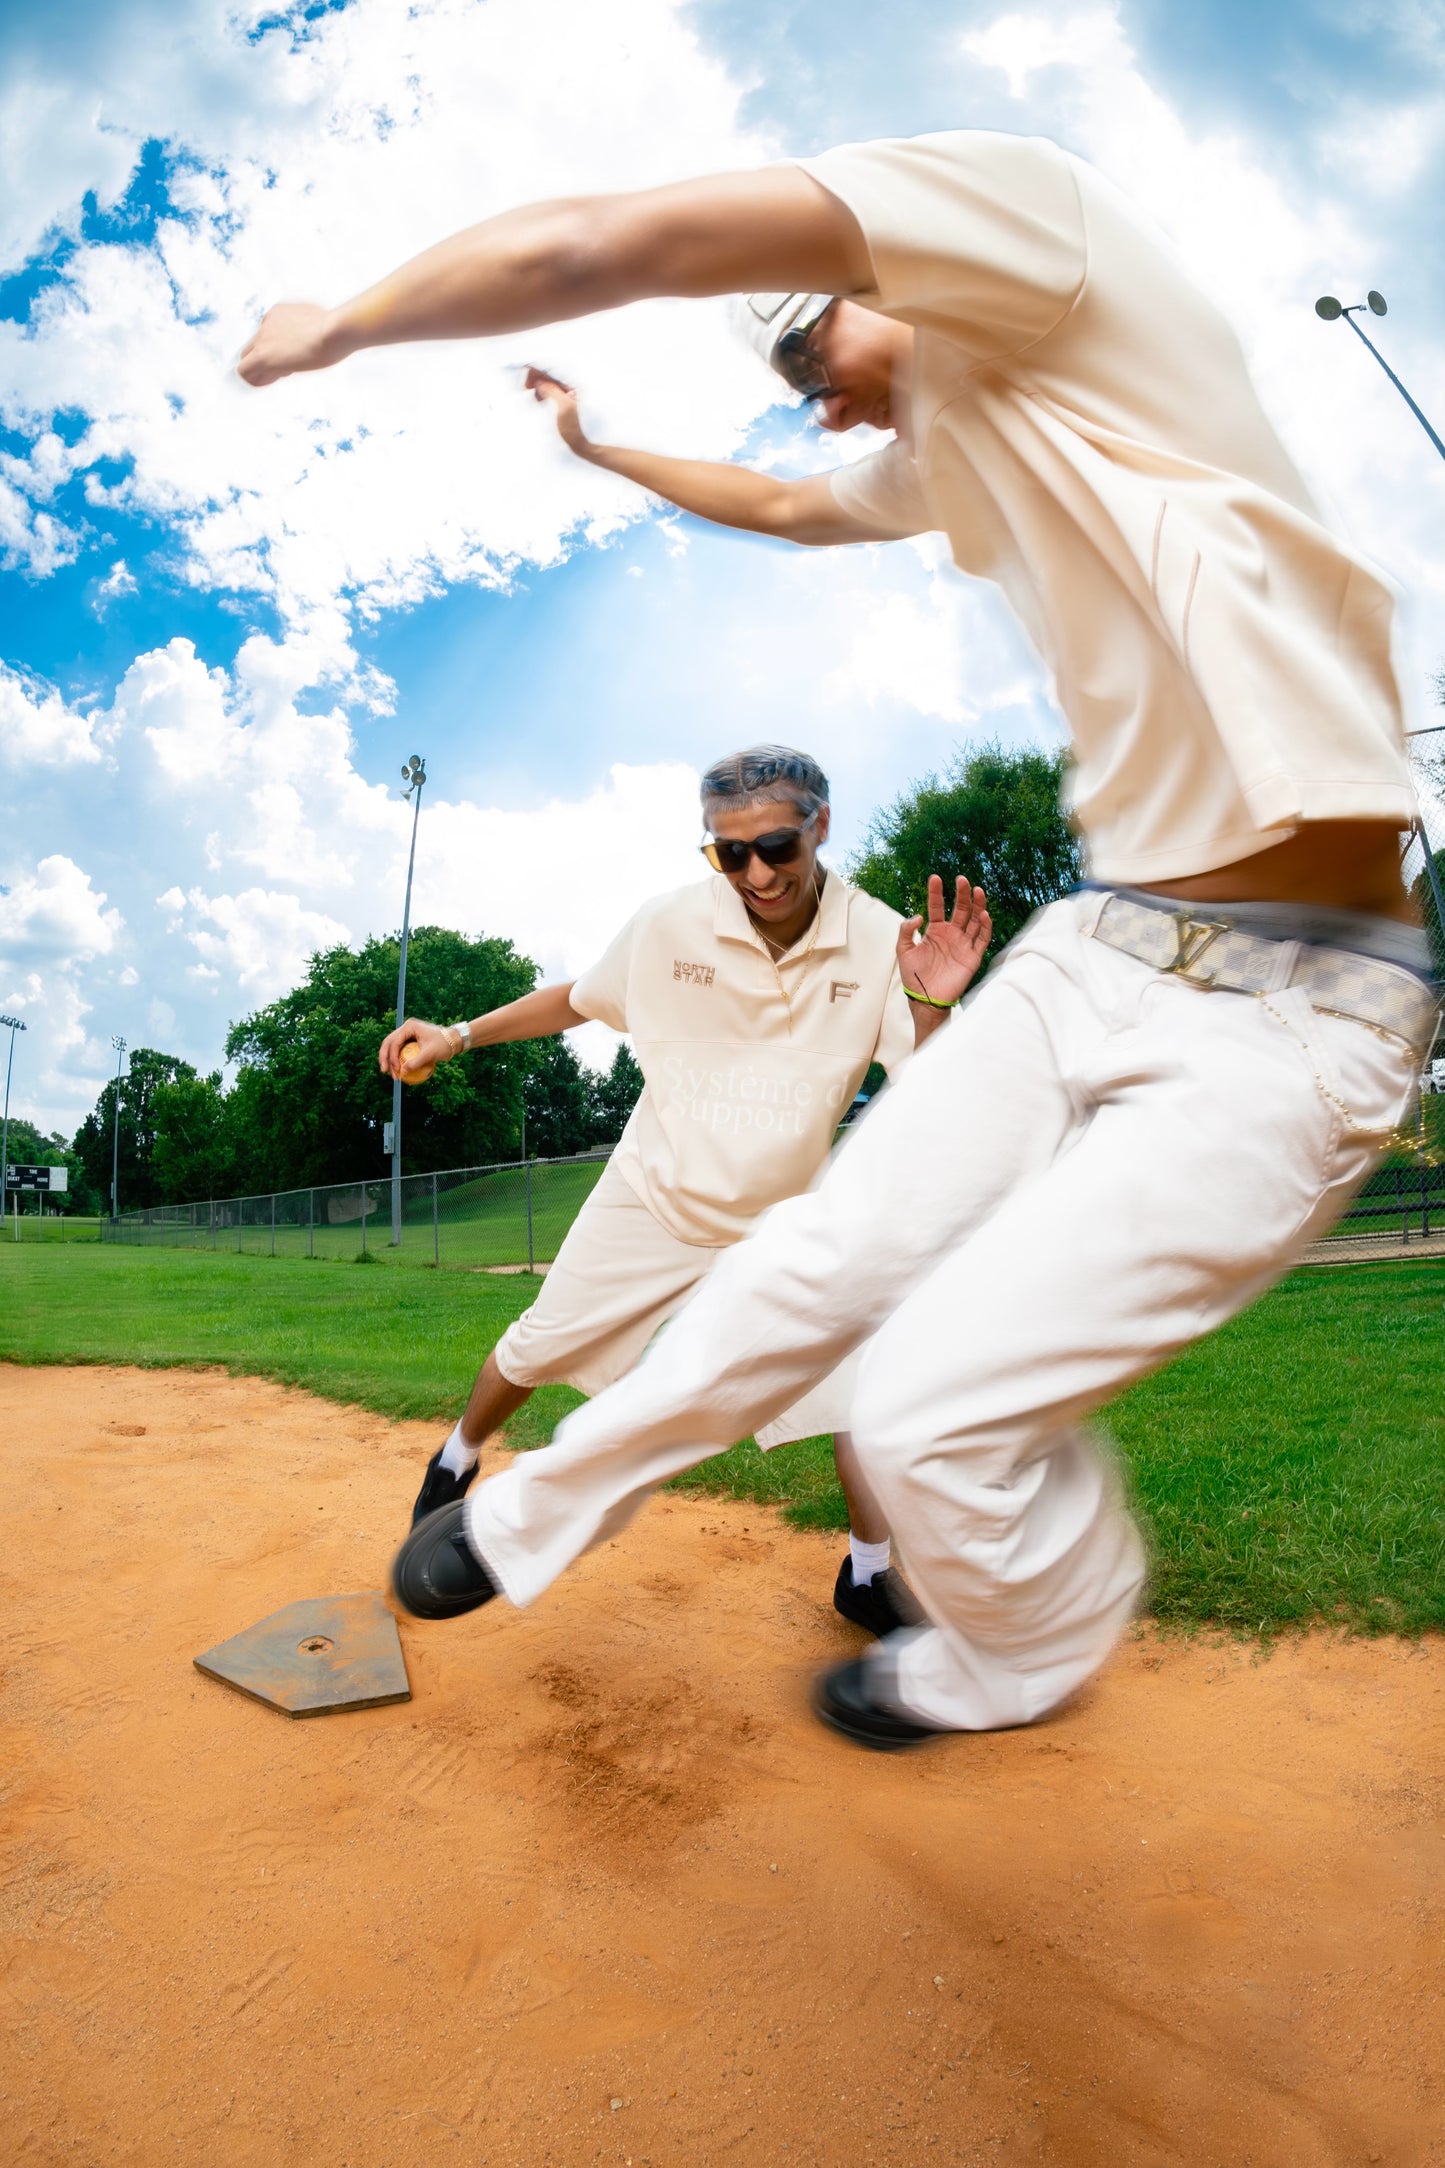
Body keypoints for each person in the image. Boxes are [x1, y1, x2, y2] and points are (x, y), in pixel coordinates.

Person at [243, 129, 1436, 1749]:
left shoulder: (1046, 256)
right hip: (1110, 937)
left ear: (900, 277)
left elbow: (623, 223)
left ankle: (1019, 1641)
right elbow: (786, 504)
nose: (820, 393)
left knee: (928, 1396)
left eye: (812, 345)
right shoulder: (937, 434)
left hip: (1310, 992)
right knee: (816, 1265)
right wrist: (603, 456)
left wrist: (352, 323)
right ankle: (531, 1508)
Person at [377, 743, 992, 1639]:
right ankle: (455, 1458)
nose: (755, 872)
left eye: (776, 846)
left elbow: (935, 1086)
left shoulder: (879, 939)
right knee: (536, 1343)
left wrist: (931, 1007)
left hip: (781, 1219)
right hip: (652, 1195)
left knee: (858, 1394)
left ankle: (866, 1576)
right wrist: (459, 1034)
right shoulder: (669, 924)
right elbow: (580, 999)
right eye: (727, 852)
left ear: (820, 827)